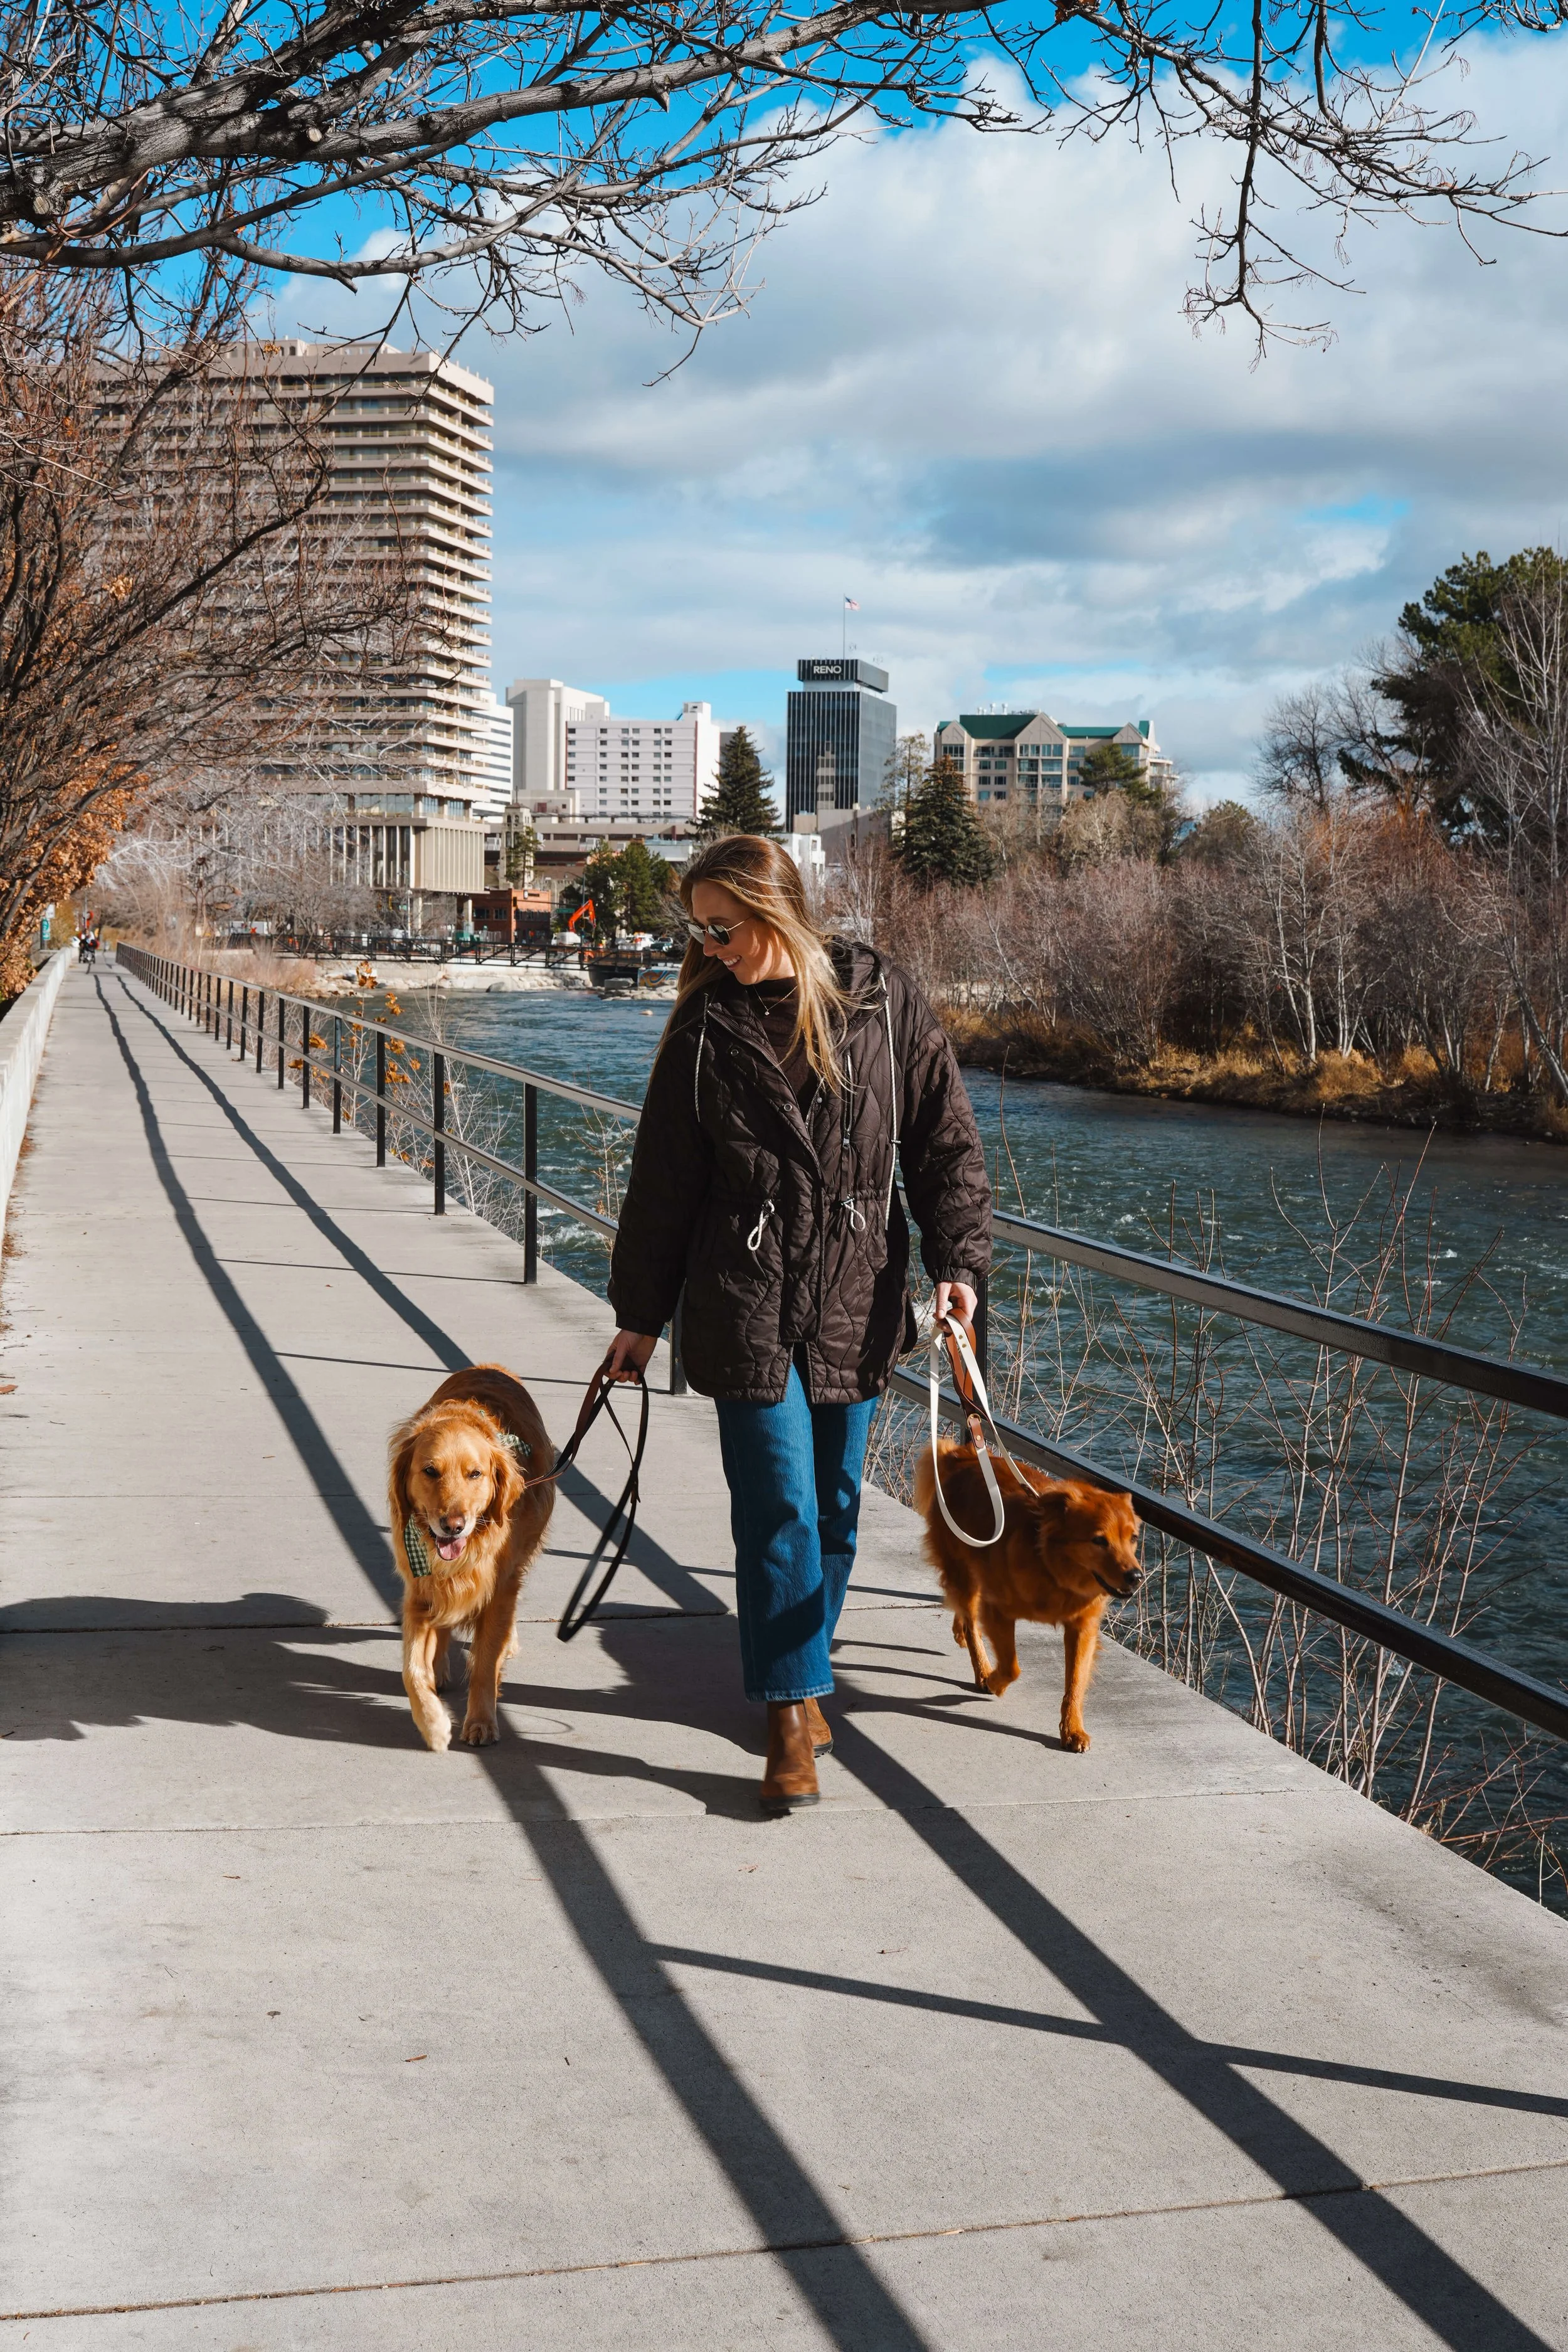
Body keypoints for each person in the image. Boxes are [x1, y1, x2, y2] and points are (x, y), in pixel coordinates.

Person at [604, 833, 992, 1815]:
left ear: (776, 911)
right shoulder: (703, 1031)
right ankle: (788, 1717)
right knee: (776, 1498)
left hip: (858, 1297)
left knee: (836, 1506)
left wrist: (960, 1267)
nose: (711, 946)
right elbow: (663, 1186)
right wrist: (639, 1318)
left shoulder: (882, 999)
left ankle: (802, 1666)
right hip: (743, 1297)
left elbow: (945, 1142)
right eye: (700, 930)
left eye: (723, 928)